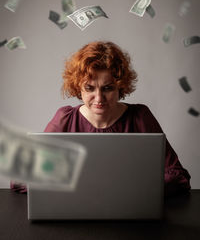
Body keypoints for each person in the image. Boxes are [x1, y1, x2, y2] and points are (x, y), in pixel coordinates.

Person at [11, 41, 191, 196]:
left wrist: (130, 191)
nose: (99, 98)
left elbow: (178, 176)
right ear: (78, 88)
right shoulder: (65, 119)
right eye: (89, 88)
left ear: (120, 87)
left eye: (108, 88)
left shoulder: (140, 117)